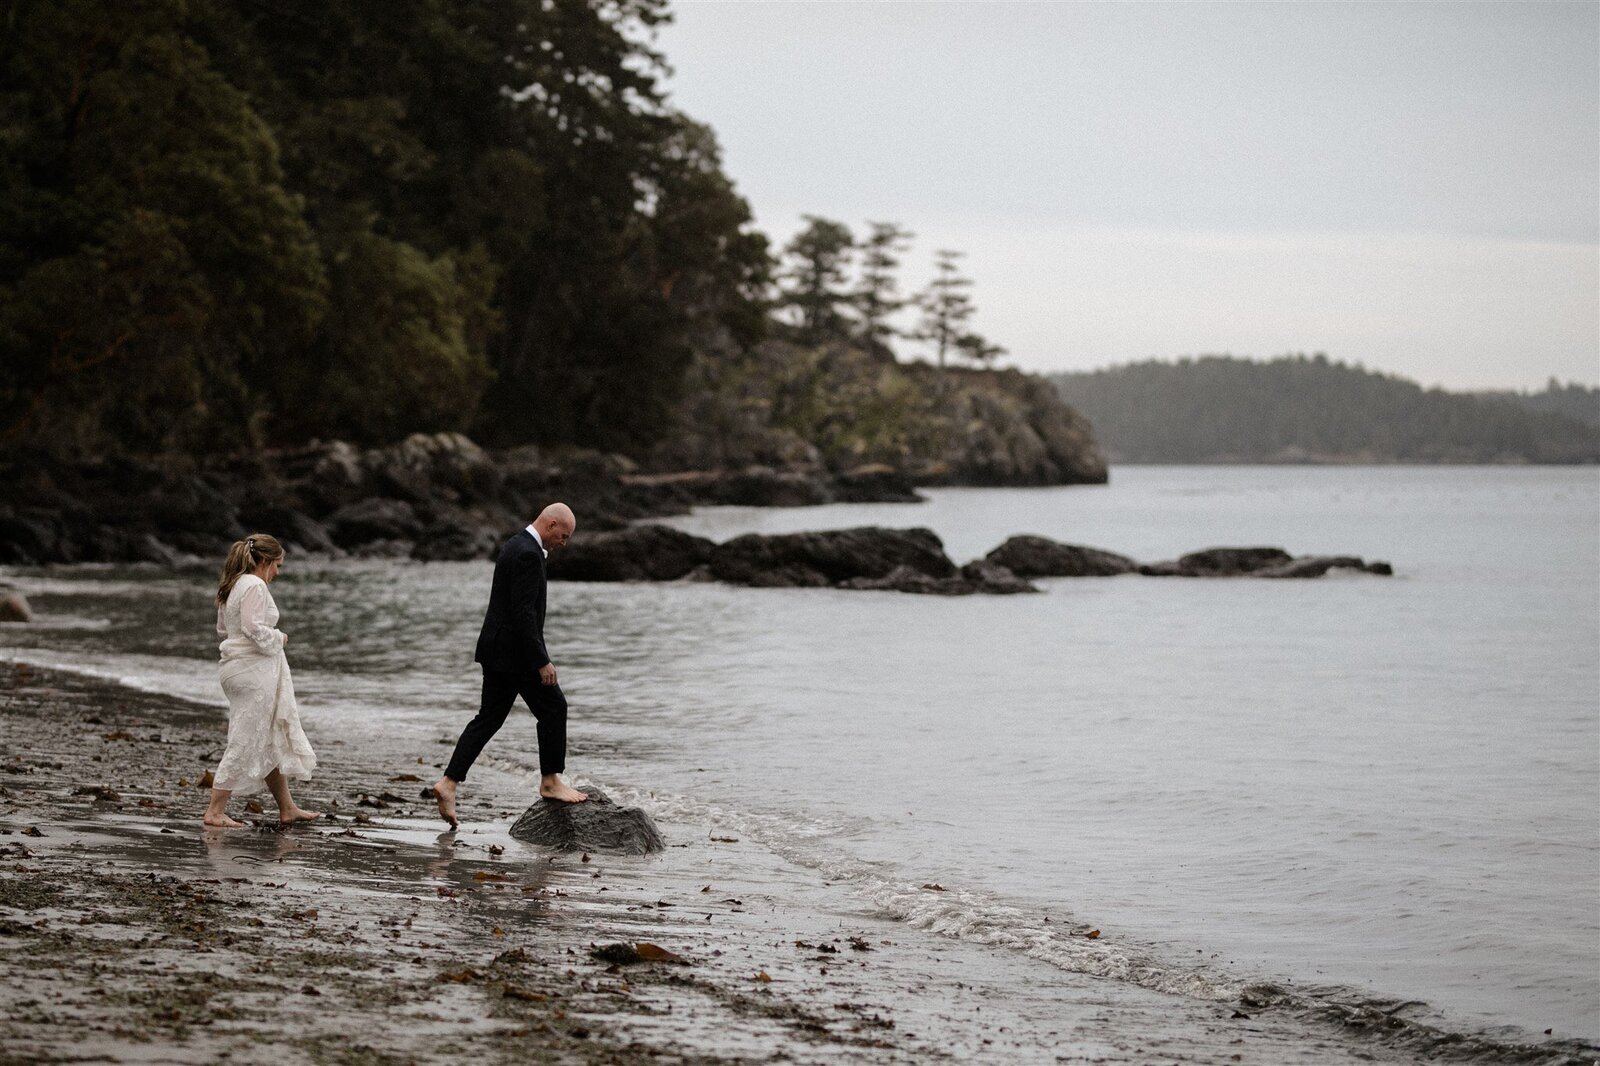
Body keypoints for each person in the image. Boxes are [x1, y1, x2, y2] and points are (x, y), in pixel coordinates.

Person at [430, 503, 588, 827]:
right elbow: (523, 614)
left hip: (498, 649)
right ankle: (550, 781)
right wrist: (541, 660)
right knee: (554, 707)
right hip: (515, 654)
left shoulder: (515, 544)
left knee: (488, 719)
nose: (564, 542)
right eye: (564, 535)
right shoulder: (529, 554)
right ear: (551, 523)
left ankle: (448, 783)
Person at [203, 534, 320, 828]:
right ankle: (215, 811)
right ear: (265, 562)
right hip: (252, 672)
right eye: (277, 565)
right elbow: (253, 628)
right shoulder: (254, 584)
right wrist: (279, 637)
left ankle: (287, 808)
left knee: (268, 739)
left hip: (235, 669)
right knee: (243, 738)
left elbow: (223, 629)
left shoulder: (233, 584)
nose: (278, 573)